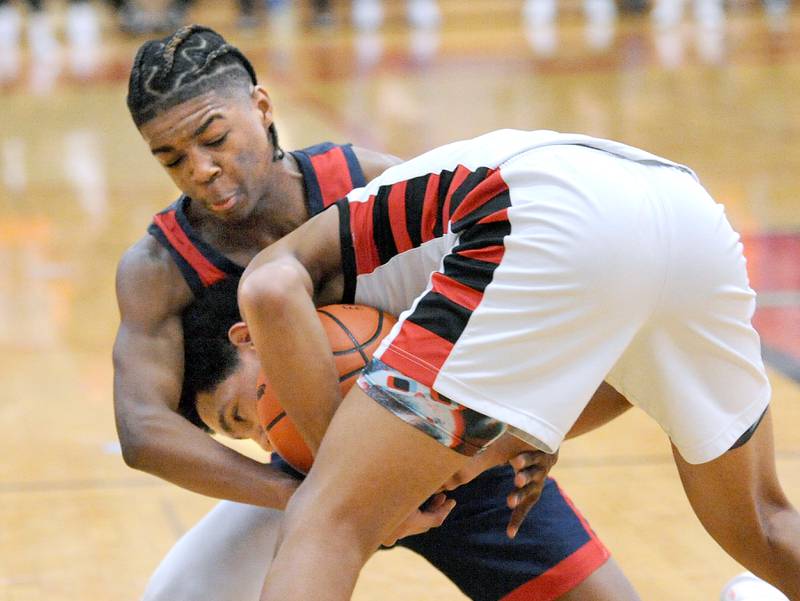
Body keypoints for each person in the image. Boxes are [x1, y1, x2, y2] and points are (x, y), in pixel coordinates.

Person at [117, 25, 640, 601]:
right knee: (176, 596)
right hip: (303, 474)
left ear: (262, 107)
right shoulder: (158, 265)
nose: (199, 169)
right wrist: (323, 493)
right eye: (171, 159)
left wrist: (530, 428)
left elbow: (516, 290)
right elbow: (144, 430)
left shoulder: (367, 179)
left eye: (213, 139)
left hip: (446, 445)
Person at [237, 128, 800, 600]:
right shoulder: (439, 270)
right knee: (764, 522)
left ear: (250, 342)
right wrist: (508, 441)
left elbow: (268, 287)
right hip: (687, 212)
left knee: (328, 520)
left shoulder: (335, 248)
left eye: (247, 411)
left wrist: (334, 469)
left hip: (546, 206)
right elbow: (634, 381)